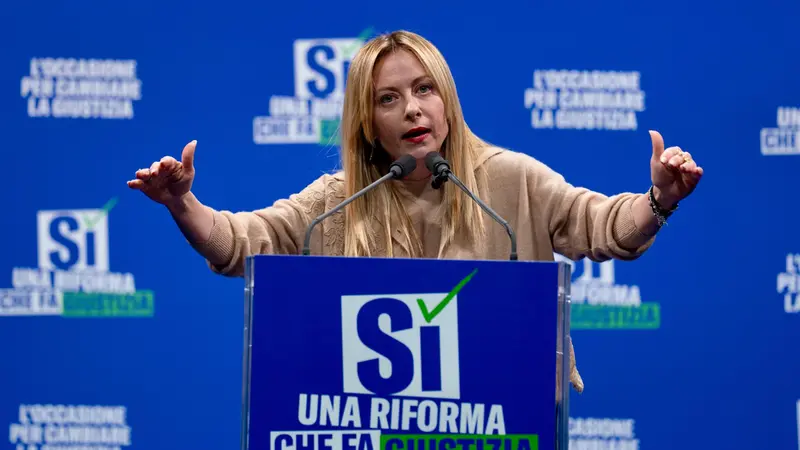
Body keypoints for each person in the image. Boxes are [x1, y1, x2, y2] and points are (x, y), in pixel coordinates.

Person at [127, 30, 703, 394]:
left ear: (447, 98)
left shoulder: (511, 179)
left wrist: (659, 201)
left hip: (501, 417)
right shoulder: (337, 200)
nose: (412, 109)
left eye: (425, 89)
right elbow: (244, 240)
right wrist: (183, 204)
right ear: (367, 124)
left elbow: (601, 224)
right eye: (388, 98)